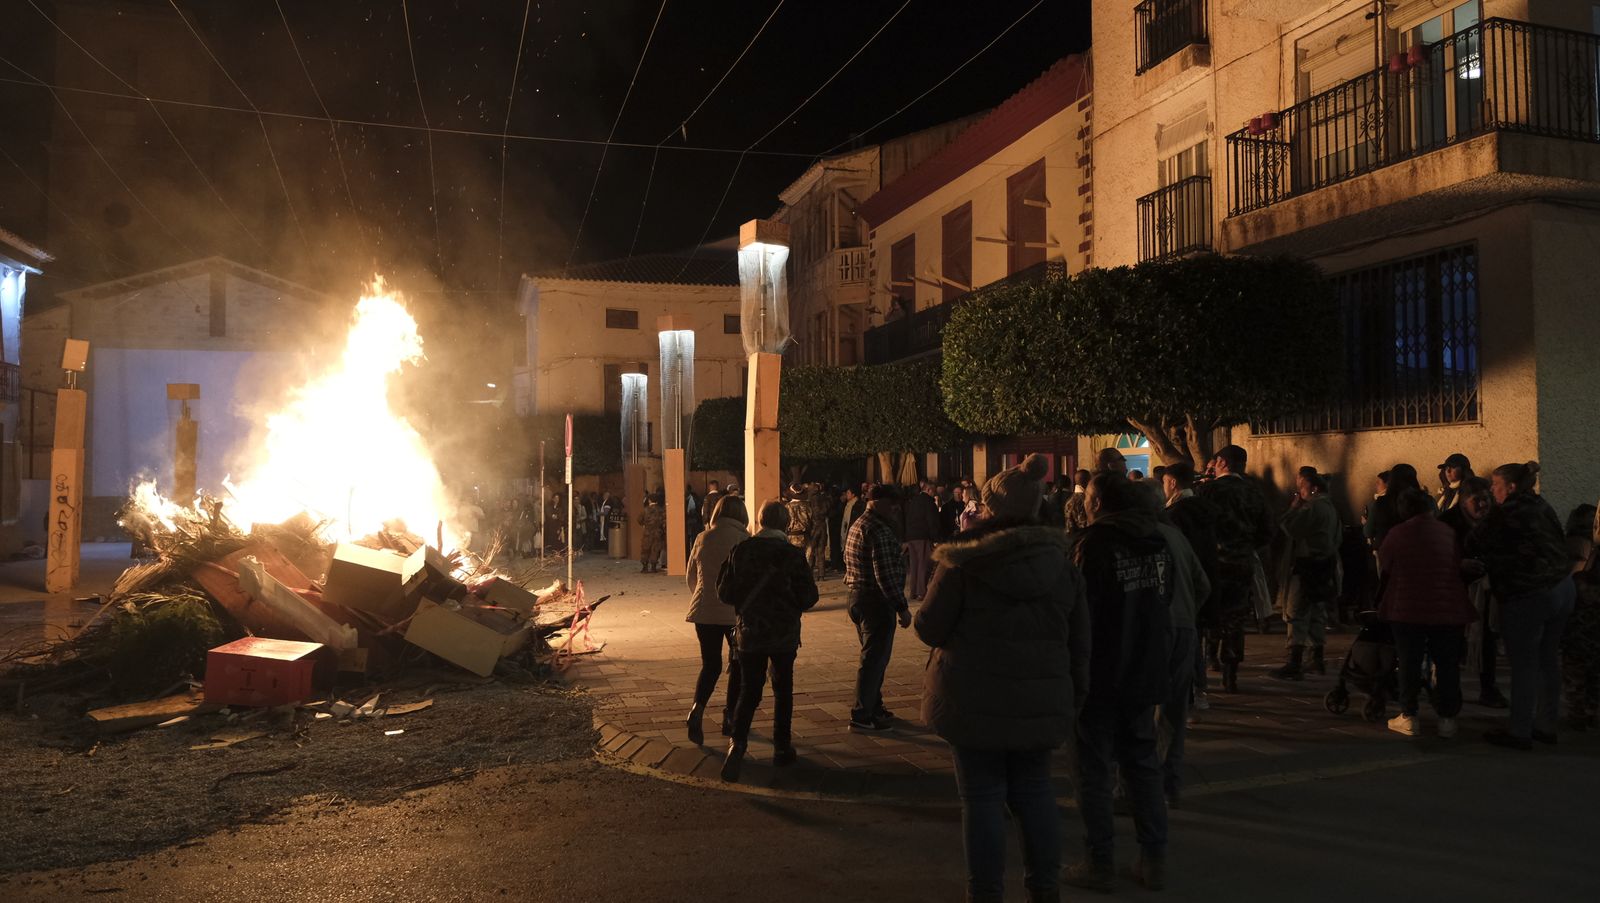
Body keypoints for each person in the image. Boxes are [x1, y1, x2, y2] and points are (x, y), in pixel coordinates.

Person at [915, 453, 1088, 903]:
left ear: (990, 508)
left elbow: (930, 627)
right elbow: (1080, 639)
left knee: (982, 799)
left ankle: (986, 893)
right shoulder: (1062, 564)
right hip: (1040, 696)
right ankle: (1044, 888)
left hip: (972, 699)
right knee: (1035, 792)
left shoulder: (963, 562)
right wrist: (1074, 693)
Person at [1065, 472, 1175, 892]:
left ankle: (1100, 861)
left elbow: (1078, 614)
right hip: (1145, 670)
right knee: (1143, 764)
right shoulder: (1156, 543)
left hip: (1100, 675)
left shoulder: (1091, 547)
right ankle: (1154, 857)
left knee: (1092, 771)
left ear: (1097, 503)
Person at [1467, 462, 1575, 750]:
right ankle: (1545, 725)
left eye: (1495, 485)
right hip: (1562, 586)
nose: (1491, 490)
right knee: (1548, 660)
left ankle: (1520, 730)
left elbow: (1476, 540)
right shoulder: (1539, 504)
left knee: (1525, 664)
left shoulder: (1508, 512)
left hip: (1530, 593)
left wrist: (1476, 514)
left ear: (1511, 487)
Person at [715, 499, 820, 781]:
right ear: (786, 524)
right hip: (784, 633)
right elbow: (809, 597)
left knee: (749, 689)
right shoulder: (792, 555)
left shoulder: (741, 550)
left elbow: (724, 592)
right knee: (783, 689)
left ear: (759, 521)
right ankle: (782, 748)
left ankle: (737, 745)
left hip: (750, 631)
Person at [1378, 489, 1477, 739]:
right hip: (1447, 606)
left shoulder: (1398, 533)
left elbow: (1385, 565)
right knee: (1446, 664)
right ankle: (1447, 718)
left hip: (1407, 606)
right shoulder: (1446, 532)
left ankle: (1409, 715)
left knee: (1409, 661)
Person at [1140, 473, 1211, 809]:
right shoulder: (1176, 535)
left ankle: (1138, 786)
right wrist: (1186, 612)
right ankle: (1169, 785)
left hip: (1149, 631)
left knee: (1138, 711)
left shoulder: (1136, 538)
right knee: (1173, 712)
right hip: (1183, 628)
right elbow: (1203, 584)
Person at [1195, 445, 1270, 693]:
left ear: (1223, 463)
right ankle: (1231, 671)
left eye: (1216, 462)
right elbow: (1268, 531)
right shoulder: (1254, 492)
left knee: (1210, 612)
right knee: (1235, 618)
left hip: (1214, 562)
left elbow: (1198, 525)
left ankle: (1210, 657)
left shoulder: (1209, 491)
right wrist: (1246, 547)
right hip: (1241, 562)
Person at [844, 484, 912, 731]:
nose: (896, 509)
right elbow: (884, 574)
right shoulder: (878, 530)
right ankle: (862, 714)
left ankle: (874, 706)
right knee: (874, 660)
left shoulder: (858, 524)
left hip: (856, 596)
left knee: (872, 656)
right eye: (892, 504)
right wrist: (901, 606)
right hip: (875, 601)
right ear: (879, 502)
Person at [683, 495, 750, 744]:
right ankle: (730, 717)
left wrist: (705, 599)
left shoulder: (703, 537)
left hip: (704, 611)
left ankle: (697, 710)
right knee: (738, 666)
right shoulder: (744, 540)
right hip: (734, 614)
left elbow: (691, 577)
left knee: (710, 665)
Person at [1441, 476, 1508, 707]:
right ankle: (1449, 692)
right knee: (1451, 643)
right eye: (1476, 500)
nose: (1483, 505)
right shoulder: (1447, 522)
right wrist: (1458, 563)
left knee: (1486, 641)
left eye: (1486, 499)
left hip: (1487, 591)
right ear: (1463, 502)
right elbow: (1436, 554)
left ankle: (1488, 688)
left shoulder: (1496, 520)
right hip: (1454, 591)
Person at [1270, 467, 1342, 680]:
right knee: (1316, 611)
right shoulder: (1331, 508)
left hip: (1307, 565)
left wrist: (1292, 509)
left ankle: (1295, 661)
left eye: (1302, 486)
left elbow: (1291, 527)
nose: (1299, 491)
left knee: (1296, 612)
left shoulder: (1313, 507)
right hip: (1323, 564)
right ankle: (1316, 658)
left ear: (1313, 488)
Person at [1163, 462, 1218, 717]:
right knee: (1196, 636)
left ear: (1172, 482)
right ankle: (1201, 690)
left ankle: (1188, 693)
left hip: (1184, 581)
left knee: (1187, 640)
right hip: (1205, 574)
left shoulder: (1174, 515)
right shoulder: (1206, 508)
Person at [1563, 502, 1600, 731]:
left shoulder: (1573, 547)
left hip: (1580, 618)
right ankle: (1588, 711)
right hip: (1583, 618)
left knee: (1578, 669)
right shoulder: (1583, 548)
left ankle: (1580, 712)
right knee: (1590, 669)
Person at [1366, 463, 1431, 553]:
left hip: (1389, 551)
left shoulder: (1382, 502)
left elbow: (1368, 531)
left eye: (1378, 483)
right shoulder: (1426, 499)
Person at [902, 481, 941, 602]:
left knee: (914, 565)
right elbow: (932, 522)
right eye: (933, 491)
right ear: (929, 490)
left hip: (911, 537)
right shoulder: (929, 503)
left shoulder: (913, 501)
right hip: (923, 536)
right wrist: (936, 539)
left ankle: (913, 591)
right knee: (924, 564)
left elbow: (906, 518)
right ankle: (921, 592)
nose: (934, 494)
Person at [783, 482, 815, 570]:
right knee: (807, 560)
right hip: (805, 535)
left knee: (793, 561)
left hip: (791, 536)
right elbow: (812, 520)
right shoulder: (808, 505)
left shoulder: (787, 507)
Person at [806, 482, 831, 578]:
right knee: (821, 551)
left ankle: (810, 573)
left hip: (814, 526)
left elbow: (813, 513)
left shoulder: (810, 500)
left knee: (811, 551)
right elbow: (826, 509)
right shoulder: (823, 499)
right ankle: (821, 574)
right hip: (822, 525)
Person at [836, 485, 864, 573]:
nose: (846, 495)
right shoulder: (848, 505)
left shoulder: (858, 505)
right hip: (846, 530)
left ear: (853, 494)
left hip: (853, 531)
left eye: (848, 493)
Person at [638, 492, 666, 573]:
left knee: (645, 549)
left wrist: (644, 524)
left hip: (647, 532)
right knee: (655, 549)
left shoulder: (645, 510)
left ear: (649, 500)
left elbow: (639, 520)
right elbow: (664, 520)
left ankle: (644, 567)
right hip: (658, 532)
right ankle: (653, 567)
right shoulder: (661, 510)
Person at [1064, 469, 1092, 533]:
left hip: (1070, 537)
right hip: (1082, 537)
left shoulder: (1070, 499)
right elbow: (1084, 524)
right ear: (1087, 481)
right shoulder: (1086, 499)